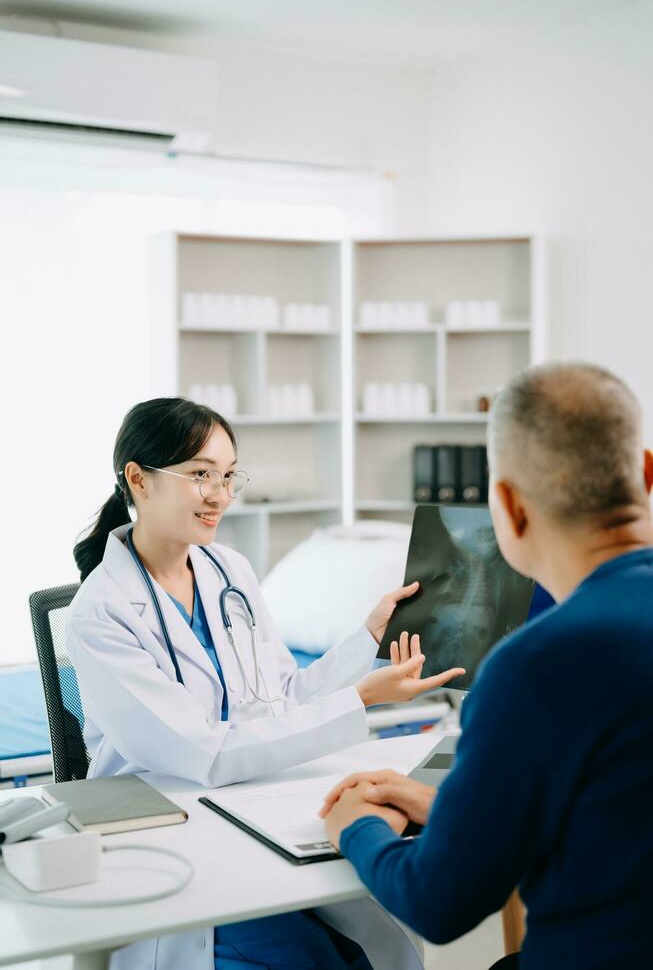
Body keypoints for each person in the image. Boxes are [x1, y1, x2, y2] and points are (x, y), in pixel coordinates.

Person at [67, 396, 464, 970]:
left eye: (228, 476)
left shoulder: (230, 570)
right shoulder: (100, 612)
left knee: (367, 947)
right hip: (174, 833)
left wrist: (367, 640)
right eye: (200, 475)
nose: (220, 496)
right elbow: (202, 752)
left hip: (254, 805)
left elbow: (281, 700)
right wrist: (360, 700)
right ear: (138, 480)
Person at [321, 362, 653, 969]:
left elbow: (437, 902)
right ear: (649, 472)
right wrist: (453, 811)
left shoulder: (534, 667)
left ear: (507, 505)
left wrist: (354, 827)